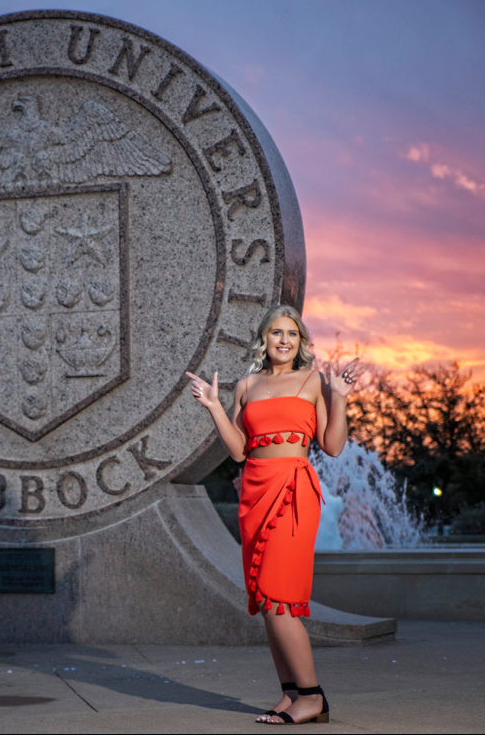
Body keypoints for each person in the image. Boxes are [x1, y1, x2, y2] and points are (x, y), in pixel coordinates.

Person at [185, 304, 358, 725]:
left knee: (280, 599)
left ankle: (313, 697)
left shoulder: (314, 381)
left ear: (301, 342)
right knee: (266, 600)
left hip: (293, 488)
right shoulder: (246, 385)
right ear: (265, 338)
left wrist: (341, 398)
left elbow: (332, 446)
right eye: (277, 333)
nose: (284, 340)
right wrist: (213, 407)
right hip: (255, 490)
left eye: (292, 334)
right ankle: (291, 693)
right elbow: (239, 450)